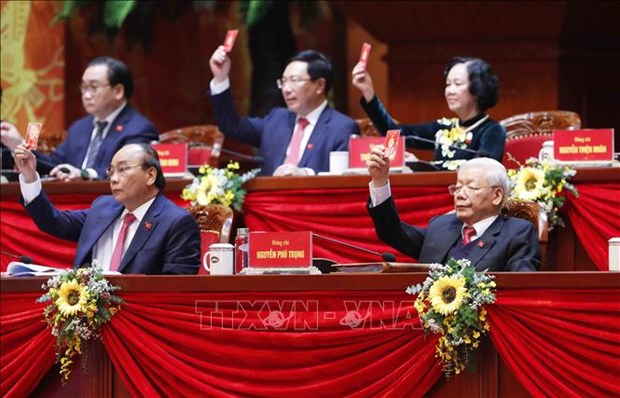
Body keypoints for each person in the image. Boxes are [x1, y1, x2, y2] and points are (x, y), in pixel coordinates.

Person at [13, 142, 201, 275]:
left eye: (123, 169)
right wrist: (30, 178)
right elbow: (54, 222)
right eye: (111, 171)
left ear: (151, 175)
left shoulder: (176, 222)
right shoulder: (103, 207)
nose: (113, 178)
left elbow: (175, 291)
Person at [366, 146, 540, 271]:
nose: (460, 195)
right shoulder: (442, 226)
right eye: (457, 187)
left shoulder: (517, 233)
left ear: (497, 195)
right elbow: (392, 232)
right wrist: (379, 182)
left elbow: (522, 289)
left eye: (471, 187)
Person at [1, 56, 159, 181]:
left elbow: (129, 174)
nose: (86, 95)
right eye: (84, 87)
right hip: (71, 205)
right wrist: (18, 144)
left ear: (118, 91)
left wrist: (83, 174)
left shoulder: (139, 129)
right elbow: (53, 165)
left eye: (93, 87)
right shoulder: (79, 127)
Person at [209, 48, 359, 176]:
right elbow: (231, 125)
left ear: (319, 85)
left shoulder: (342, 128)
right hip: (269, 206)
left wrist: (305, 174)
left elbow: (342, 178)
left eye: (294, 80)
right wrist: (220, 78)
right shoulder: (276, 119)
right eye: (284, 81)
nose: (287, 89)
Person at [352, 56, 505, 170]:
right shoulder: (444, 127)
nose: (450, 91)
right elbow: (395, 134)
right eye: (447, 84)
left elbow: (480, 171)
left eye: (457, 84)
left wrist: (422, 166)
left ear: (478, 89)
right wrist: (368, 92)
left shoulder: (492, 130)